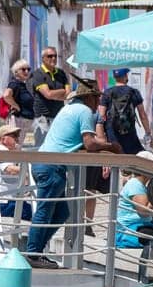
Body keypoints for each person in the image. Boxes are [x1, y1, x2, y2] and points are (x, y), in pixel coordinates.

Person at [25, 78, 120, 269]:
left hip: (46, 163)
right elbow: (89, 143)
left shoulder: (69, 108)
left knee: (61, 211)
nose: (97, 104)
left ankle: (37, 251)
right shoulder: (84, 111)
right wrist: (112, 146)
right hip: (53, 165)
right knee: (46, 210)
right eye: (96, 99)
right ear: (90, 98)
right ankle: (33, 253)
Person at [99, 67, 151, 156]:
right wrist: (148, 133)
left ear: (115, 77)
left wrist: (101, 135)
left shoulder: (107, 93)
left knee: (114, 161)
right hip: (130, 133)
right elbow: (142, 115)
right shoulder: (134, 92)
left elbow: (101, 115)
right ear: (126, 76)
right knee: (135, 160)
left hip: (112, 134)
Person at [0, 122, 33, 221]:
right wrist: (31, 170)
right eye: (14, 136)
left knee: (38, 212)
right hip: (3, 203)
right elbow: (10, 170)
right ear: (3, 139)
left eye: (18, 135)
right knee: (39, 215)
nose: (17, 138)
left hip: (11, 201)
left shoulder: (10, 152)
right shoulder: (0, 151)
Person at [30, 47, 69, 144]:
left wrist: (54, 94)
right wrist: (62, 91)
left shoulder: (61, 73)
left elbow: (68, 94)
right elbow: (48, 94)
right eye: (50, 56)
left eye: (55, 56)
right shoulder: (37, 74)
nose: (53, 58)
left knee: (57, 147)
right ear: (43, 58)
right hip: (43, 119)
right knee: (42, 150)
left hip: (58, 117)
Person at [0, 59, 35, 135]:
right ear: (16, 72)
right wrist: (16, 106)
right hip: (17, 121)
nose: (26, 72)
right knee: (14, 145)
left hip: (23, 121)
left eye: (28, 69)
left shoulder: (23, 84)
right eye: (23, 69)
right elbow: (6, 95)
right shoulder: (15, 84)